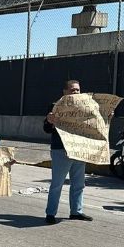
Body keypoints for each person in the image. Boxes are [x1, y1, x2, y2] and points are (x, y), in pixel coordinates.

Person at [44, 80, 92, 224]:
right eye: (72, 90)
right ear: (64, 92)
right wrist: (49, 121)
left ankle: (76, 212)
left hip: (78, 150)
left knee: (78, 184)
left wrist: (107, 115)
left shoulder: (86, 107)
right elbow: (46, 129)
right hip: (61, 150)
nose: (76, 92)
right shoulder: (55, 106)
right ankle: (51, 213)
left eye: (78, 90)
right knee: (57, 184)